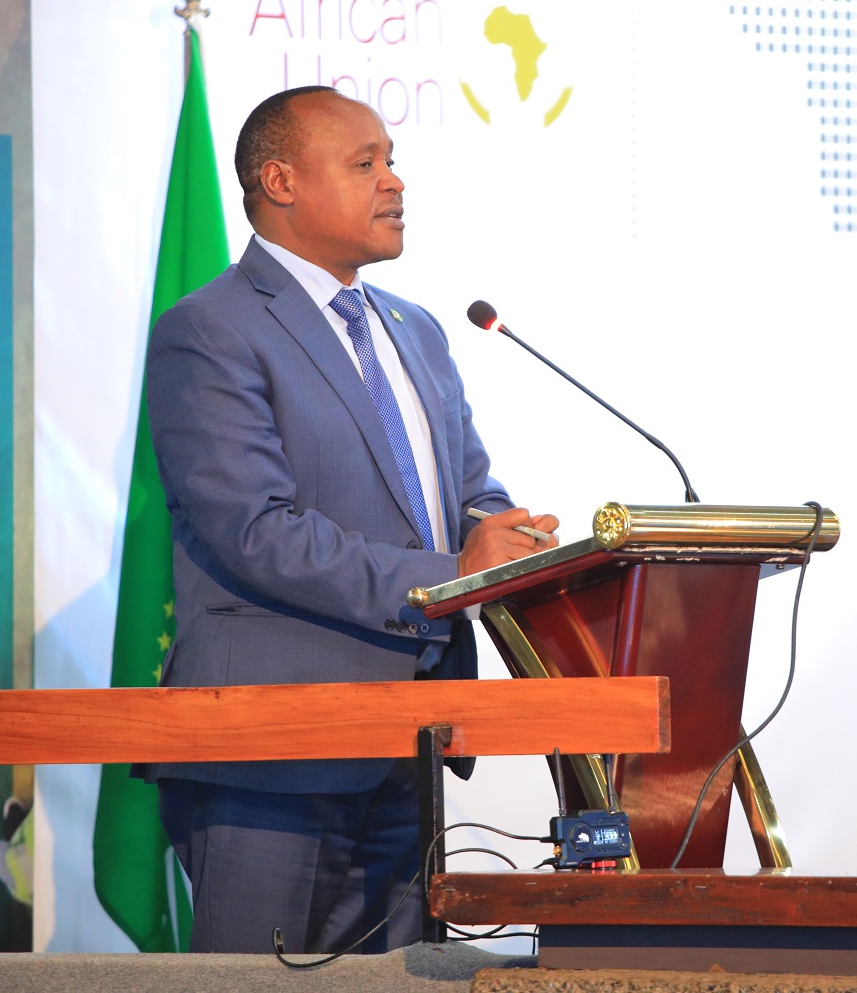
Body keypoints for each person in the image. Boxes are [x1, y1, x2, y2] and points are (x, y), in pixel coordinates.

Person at [139, 85, 558, 954]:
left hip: (411, 750)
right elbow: (254, 529)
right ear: (280, 181)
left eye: (393, 160)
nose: (394, 182)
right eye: (365, 163)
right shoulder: (208, 331)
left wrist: (505, 539)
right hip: (271, 755)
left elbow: (469, 492)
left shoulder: (418, 331)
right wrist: (454, 573)